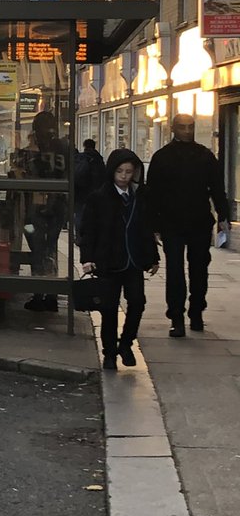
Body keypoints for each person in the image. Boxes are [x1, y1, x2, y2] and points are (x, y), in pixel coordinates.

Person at [145, 113, 231, 336]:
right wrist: (153, 224)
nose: (187, 131)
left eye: (190, 127)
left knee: (199, 269)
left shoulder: (204, 156)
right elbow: (153, 193)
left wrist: (223, 215)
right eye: (182, 127)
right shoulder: (162, 157)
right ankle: (177, 315)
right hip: (172, 223)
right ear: (173, 129)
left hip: (199, 222)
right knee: (175, 270)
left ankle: (196, 310)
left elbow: (217, 188)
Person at [79, 149, 159, 370]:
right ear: (112, 172)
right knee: (109, 308)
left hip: (133, 260)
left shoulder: (139, 196)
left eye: (129, 172)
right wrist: (87, 258)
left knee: (137, 303)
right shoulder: (99, 197)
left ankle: (125, 343)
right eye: (120, 171)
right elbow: (88, 231)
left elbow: (146, 228)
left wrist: (153, 257)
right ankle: (110, 353)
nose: (124, 176)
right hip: (108, 261)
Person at [21, 110, 71, 311]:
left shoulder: (35, 149)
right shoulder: (64, 147)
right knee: (49, 247)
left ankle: (41, 292)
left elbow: (25, 173)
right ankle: (49, 292)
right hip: (58, 206)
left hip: (38, 205)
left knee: (38, 248)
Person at [73, 138, 107, 243]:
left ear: (84, 146)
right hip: (94, 192)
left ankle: (79, 237)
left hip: (80, 191)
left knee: (79, 214)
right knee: (93, 216)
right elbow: (103, 177)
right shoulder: (98, 159)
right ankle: (90, 237)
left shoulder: (80, 158)